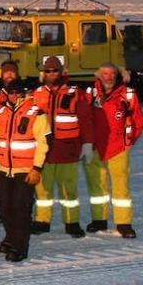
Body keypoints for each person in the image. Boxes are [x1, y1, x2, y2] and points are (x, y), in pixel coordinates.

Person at [31, 56, 93, 237]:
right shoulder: (37, 94)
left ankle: (72, 222)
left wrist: (88, 144)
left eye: (55, 70)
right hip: (44, 152)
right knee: (43, 190)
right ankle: (42, 221)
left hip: (68, 151)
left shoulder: (75, 93)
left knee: (69, 190)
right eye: (48, 71)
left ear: (61, 72)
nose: (51, 74)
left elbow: (86, 120)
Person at [84, 62, 143, 238]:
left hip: (119, 147)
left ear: (116, 75)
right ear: (98, 76)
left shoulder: (128, 94)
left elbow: (138, 121)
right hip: (96, 147)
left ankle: (124, 224)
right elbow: (83, 116)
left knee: (121, 187)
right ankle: (99, 220)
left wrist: (129, 141)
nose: (108, 77)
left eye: (111, 74)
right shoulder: (91, 93)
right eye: (104, 74)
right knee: (97, 185)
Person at [0, 79, 50, 262]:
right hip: (4, 169)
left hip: (25, 170)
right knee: (5, 207)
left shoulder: (37, 114)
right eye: (12, 93)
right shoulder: (0, 113)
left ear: (24, 94)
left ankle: (20, 247)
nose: (15, 96)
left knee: (21, 209)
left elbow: (44, 143)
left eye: (18, 93)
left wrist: (37, 168)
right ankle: (10, 239)